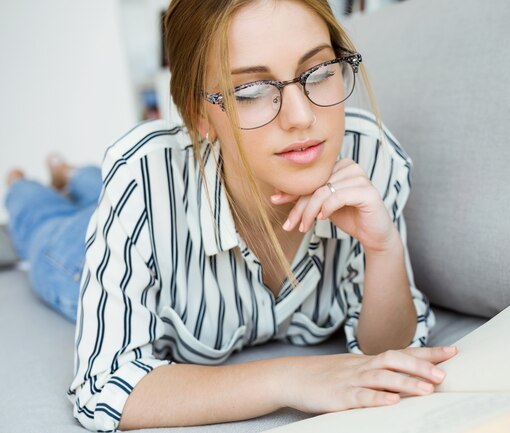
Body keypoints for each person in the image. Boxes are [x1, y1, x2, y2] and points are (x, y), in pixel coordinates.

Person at [6, 0, 458, 431]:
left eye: (317, 72)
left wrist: (383, 249)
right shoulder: (144, 177)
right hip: (86, 250)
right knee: (44, 227)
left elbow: (391, 352)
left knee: (89, 186)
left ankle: (76, 174)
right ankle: (25, 183)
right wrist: (293, 379)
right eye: (250, 91)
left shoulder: (369, 156)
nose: (302, 118)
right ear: (198, 114)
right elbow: (103, 387)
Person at [5, 157, 101, 322]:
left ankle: (20, 182)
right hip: (109, 222)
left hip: (76, 238)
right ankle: (64, 171)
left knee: (42, 218)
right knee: (116, 190)